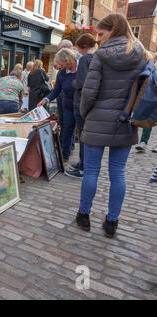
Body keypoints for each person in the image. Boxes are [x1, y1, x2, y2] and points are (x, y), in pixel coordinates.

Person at [75, 13, 151, 238]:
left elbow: (89, 92)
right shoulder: (143, 55)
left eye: (101, 33)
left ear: (114, 30)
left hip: (98, 118)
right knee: (118, 173)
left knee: (91, 171)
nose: (98, 39)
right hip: (125, 121)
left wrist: (85, 114)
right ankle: (112, 222)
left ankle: (84, 216)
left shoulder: (101, 55)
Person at [66, 33, 98, 179]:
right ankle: (82, 163)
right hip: (92, 105)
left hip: (81, 102)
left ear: (85, 47)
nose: (78, 52)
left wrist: (73, 83)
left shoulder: (86, 58)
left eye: (79, 49)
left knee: (84, 137)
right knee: (86, 137)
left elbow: (82, 82)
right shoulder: (98, 58)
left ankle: (83, 168)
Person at [37, 48, 77, 162]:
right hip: (68, 105)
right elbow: (56, 90)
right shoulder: (62, 73)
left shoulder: (82, 69)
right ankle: (64, 155)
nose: (59, 67)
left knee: (83, 133)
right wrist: (46, 99)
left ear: (68, 60)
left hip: (81, 106)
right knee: (67, 129)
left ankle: (83, 162)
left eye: (61, 64)